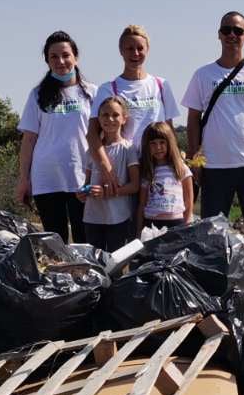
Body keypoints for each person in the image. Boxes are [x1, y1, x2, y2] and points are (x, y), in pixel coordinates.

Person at [184, 11, 244, 305]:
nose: (232, 35)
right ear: (219, 35)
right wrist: (195, 161)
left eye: (237, 31)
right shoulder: (203, 75)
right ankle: (215, 295)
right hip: (215, 166)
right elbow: (192, 120)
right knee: (211, 238)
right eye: (226, 30)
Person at [16, 31, 96, 244]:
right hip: (46, 179)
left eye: (66, 55)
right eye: (54, 56)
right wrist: (24, 179)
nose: (61, 61)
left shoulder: (93, 93)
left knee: (84, 241)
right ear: (47, 61)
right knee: (54, 245)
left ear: (75, 57)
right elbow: (29, 140)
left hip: (82, 178)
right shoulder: (37, 95)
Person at [89, 24, 179, 197]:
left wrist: (177, 163)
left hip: (156, 165)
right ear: (121, 51)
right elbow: (92, 134)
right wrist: (106, 167)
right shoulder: (108, 89)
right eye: (129, 48)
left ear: (147, 50)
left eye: (140, 48)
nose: (135, 54)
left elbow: (170, 130)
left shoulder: (161, 85)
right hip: (123, 168)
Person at [80, 97, 140, 254]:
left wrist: (107, 192)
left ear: (124, 119)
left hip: (118, 217)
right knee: (95, 264)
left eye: (115, 115)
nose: (110, 119)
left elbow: (135, 185)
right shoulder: (91, 151)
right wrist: (82, 192)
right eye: (105, 115)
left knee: (115, 264)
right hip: (92, 217)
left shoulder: (128, 149)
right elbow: (86, 183)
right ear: (98, 119)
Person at [138, 121, 194, 233]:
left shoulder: (181, 168)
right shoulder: (147, 171)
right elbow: (142, 204)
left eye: (162, 142)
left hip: (177, 222)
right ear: (147, 146)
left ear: (170, 143)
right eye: (153, 143)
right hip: (151, 224)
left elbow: (189, 201)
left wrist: (188, 224)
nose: (158, 147)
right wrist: (139, 231)